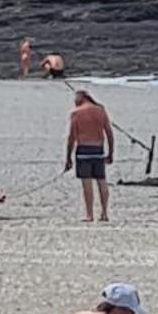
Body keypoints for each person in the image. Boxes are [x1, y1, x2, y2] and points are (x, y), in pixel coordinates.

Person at [65, 89, 116, 223]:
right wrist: (111, 152)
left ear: (80, 99)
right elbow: (109, 133)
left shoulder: (76, 113)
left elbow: (71, 137)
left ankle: (89, 214)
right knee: (101, 181)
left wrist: (68, 157)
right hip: (98, 149)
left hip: (83, 150)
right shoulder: (100, 110)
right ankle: (104, 213)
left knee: (87, 183)